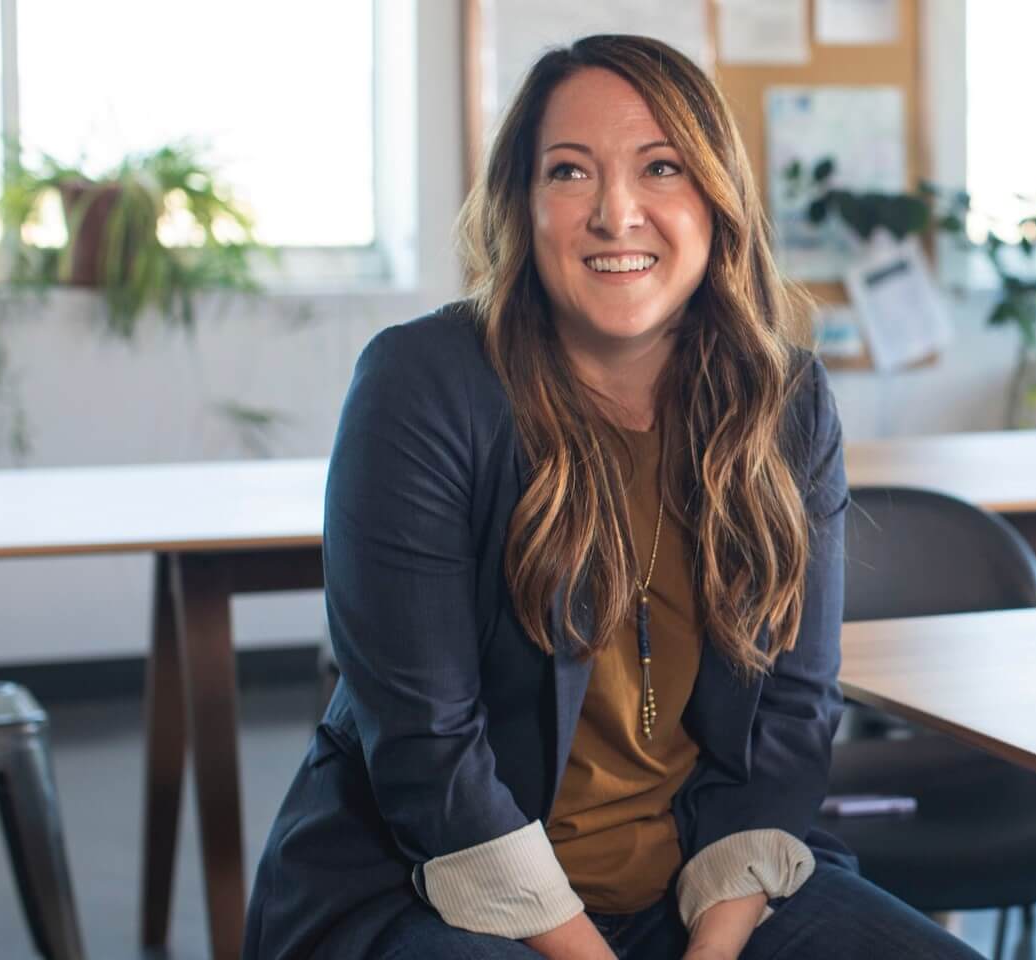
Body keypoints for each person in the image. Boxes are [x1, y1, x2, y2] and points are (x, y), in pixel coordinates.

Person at [244, 34, 981, 960]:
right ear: (525, 206)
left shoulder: (784, 401)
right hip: (435, 885)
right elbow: (427, 750)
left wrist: (713, 949)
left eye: (660, 167)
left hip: (706, 885)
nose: (616, 212)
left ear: (716, 200)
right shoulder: (422, 384)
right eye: (569, 172)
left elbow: (792, 718)